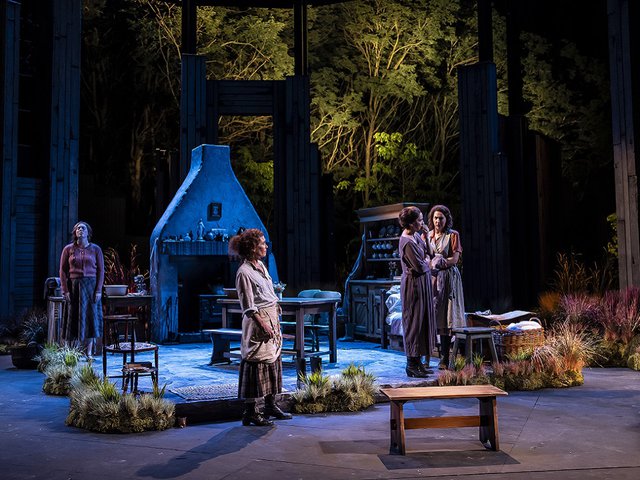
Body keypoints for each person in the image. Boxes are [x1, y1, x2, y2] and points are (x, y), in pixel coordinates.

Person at [229, 228, 292, 426]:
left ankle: (270, 405)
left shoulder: (261, 267)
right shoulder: (244, 272)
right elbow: (248, 306)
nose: (265, 246)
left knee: (272, 361)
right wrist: (263, 325)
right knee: (256, 362)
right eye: (262, 243)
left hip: (271, 319)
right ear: (252, 248)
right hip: (259, 323)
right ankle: (251, 412)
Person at [398, 206, 437, 378]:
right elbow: (422, 266)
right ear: (411, 223)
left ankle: (419, 362)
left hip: (423, 282)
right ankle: (411, 364)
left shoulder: (415, 235)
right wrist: (428, 261)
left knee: (423, 322)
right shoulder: (406, 241)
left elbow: (429, 253)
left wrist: (427, 239)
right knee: (414, 323)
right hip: (413, 286)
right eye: (419, 220)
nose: (422, 223)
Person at [425, 205, 466, 369]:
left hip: (448, 278)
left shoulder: (453, 235)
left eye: (441, 218)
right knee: (434, 316)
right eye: (435, 218)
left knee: (447, 316)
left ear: (446, 219)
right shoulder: (428, 236)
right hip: (434, 278)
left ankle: (445, 357)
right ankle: (427, 356)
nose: (437, 221)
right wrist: (431, 262)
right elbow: (426, 256)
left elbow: (454, 259)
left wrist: (441, 261)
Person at [59, 221, 104, 356]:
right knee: (73, 317)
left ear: (88, 232)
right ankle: (73, 352)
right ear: (75, 232)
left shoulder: (96, 249)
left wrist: (98, 290)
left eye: (83, 228)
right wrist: (65, 290)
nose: (80, 230)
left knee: (90, 319)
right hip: (74, 287)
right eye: (78, 228)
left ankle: (89, 352)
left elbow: (101, 271)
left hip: (90, 287)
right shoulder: (68, 249)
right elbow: (62, 271)